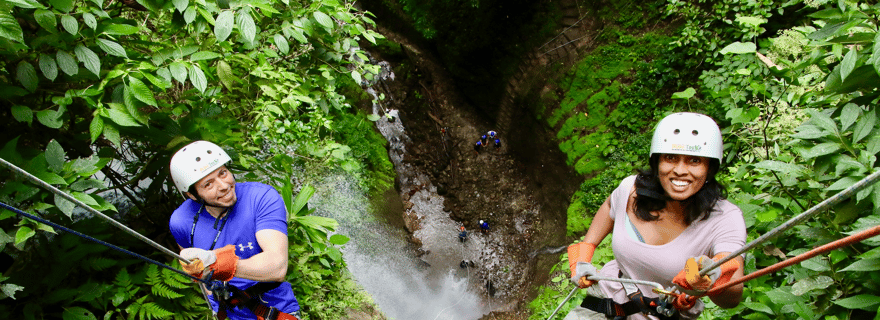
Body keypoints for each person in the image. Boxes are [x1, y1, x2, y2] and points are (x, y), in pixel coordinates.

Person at [565, 112, 746, 320]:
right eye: (670, 158)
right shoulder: (632, 190)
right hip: (606, 298)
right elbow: (609, 206)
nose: (680, 170)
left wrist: (713, 278)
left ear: (709, 168)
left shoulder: (725, 219)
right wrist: (585, 249)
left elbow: (732, 298)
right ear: (657, 162)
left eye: (694, 161)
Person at [168, 141, 303, 320]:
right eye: (208, 184)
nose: (223, 185)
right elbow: (197, 271)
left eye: (223, 173)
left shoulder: (261, 198)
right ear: (192, 195)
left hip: (273, 309)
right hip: (226, 311)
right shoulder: (181, 221)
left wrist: (219, 264)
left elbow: (277, 266)